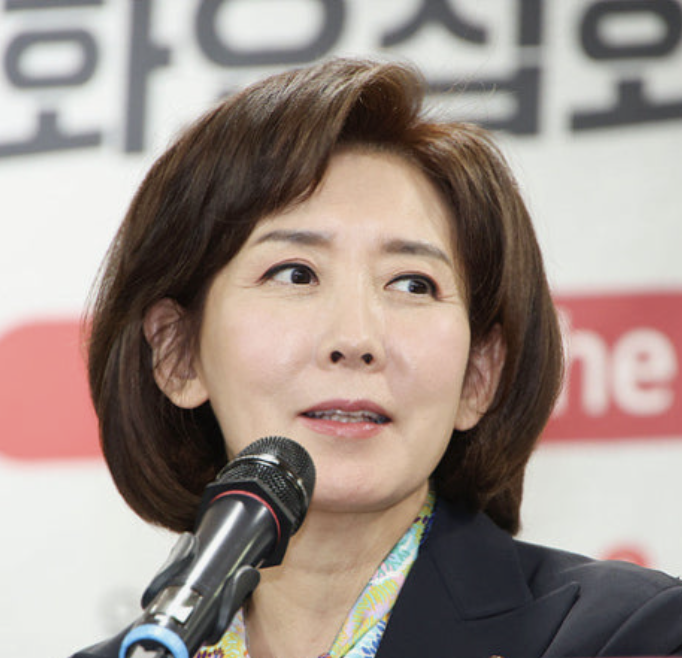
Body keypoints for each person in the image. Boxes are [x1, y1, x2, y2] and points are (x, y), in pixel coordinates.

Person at [73, 57, 682, 658]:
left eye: (412, 284)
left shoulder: (628, 635)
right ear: (178, 353)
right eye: (295, 273)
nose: (356, 337)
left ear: (479, 374)